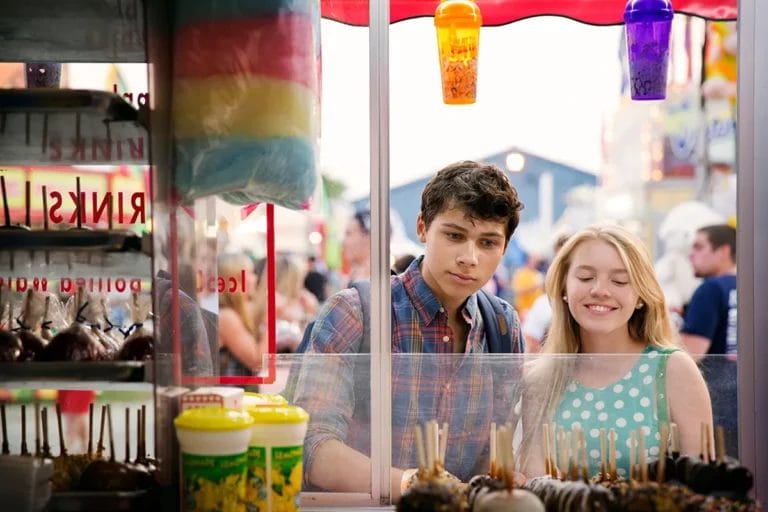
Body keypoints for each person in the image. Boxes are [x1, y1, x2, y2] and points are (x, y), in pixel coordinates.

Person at [291, 160, 525, 499]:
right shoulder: (357, 311)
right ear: (422, 228)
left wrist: (501, 477)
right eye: (455, 235)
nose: (469, 257)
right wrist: (412, 485)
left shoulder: (503, 327)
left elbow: (491, 455)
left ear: (503, 248)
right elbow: (314, 446)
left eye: (488, 242)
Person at [520, 224, 713, 478]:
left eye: (620, 280)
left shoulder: (672, 369)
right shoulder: (541, 378)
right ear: (563, 288)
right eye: (586, 277)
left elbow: (701, 484)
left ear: (642, 295)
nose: (600, 290)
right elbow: (535, 483)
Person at [680, 224, 737, 456]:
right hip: (747, 402)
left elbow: (690, 352)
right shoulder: (749, 286)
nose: (690, 254)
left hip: (716, 404)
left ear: (723, 251)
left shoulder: (710, 290)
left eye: (699, 246)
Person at [522, 234, 570, 352]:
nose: (563, 268)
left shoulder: (592, 306)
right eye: (559, 260)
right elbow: (531, 344)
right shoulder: (543, 305)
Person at [218, 252, 264, 375]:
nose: (255, 279)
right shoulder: (226, 316)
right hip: (226, 393)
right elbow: (258, 361)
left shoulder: (233, 312)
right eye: (251, 273)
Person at [342, 209, 372, 285]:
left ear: (367, 238)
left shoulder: (378, 281)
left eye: (348, 234)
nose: (344, 241)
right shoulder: (352, 276)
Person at [510, 253, 545, 320]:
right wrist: (533, 288)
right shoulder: (520, 273)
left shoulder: (538, 274)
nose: (535, 263)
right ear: (528, 260)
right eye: (533, 260)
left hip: (536, 309)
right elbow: (518, 291)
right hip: (524, 310)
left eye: (537, 261)